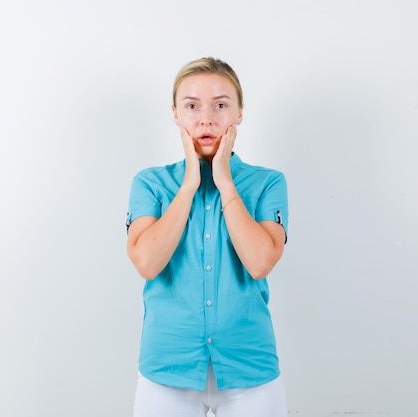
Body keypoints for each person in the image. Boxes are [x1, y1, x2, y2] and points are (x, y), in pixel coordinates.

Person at [126, 57, 289, 417]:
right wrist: (189, 184)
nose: (206, 119)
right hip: (167, 369)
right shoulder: (150, 184)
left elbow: (260, 262)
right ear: (175, 114)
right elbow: (147, 263)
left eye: (220, 105)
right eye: (192, 106)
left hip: (251, 370)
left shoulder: (267, 183)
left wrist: (225, 179)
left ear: (239, 113)